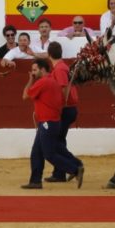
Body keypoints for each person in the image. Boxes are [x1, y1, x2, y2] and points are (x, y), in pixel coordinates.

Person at [21, 58, 84, 189]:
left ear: (42, 69)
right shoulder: (53, 81)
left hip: (47, 123)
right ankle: (35, 181)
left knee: (49, 154)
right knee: (36, 152)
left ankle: (75, 169)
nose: (32, 73)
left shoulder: (43, 82)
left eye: (34, 70)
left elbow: (25, 95)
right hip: (51, 122)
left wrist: (30, 80)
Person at [44, 42, 81, 183]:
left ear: (49, 54)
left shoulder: (59, 69)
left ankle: (76, 165)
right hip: (67, 108)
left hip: (64, 109)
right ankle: (60, 172)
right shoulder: (62, 67)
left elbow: (63, 89)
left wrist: (57, 107)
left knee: (55, 142)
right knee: (59, 140)